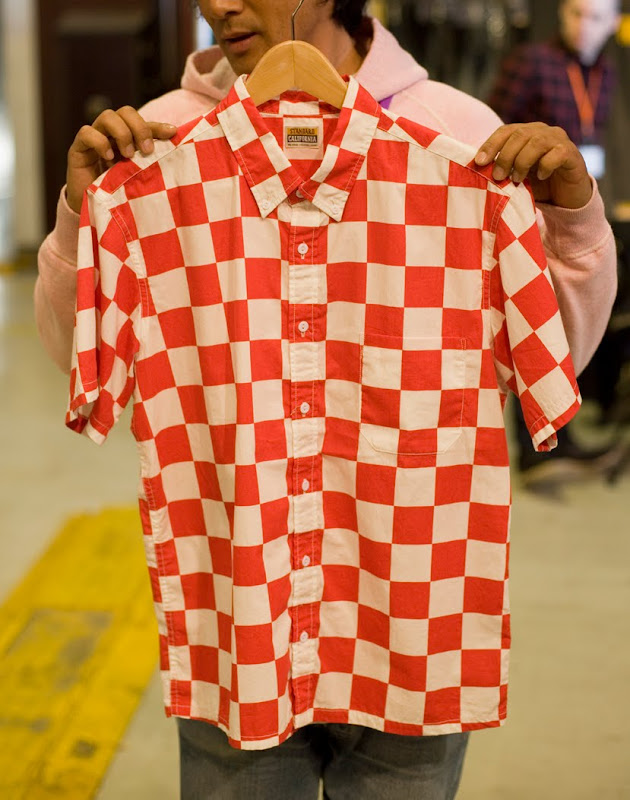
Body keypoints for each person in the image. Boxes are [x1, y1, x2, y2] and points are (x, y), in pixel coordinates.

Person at [35, 1, 617, 797]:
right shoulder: (154, 159)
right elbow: (87, 366)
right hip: (241, 624)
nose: (219, 3)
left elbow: (553, 364)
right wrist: (82, 219)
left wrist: (573, 221)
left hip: (408, 629)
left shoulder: (466, 157)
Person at [488, 0, 623, 491]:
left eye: (595, 17)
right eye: (575, 13)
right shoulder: (532, 62)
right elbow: (489, 128)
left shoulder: (605, 72)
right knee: (531, 320)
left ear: (615, 24)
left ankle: (558, 435)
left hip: (576, 204)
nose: (583, 26)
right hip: (527, 212)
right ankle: (538, 444)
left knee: (575, 317)